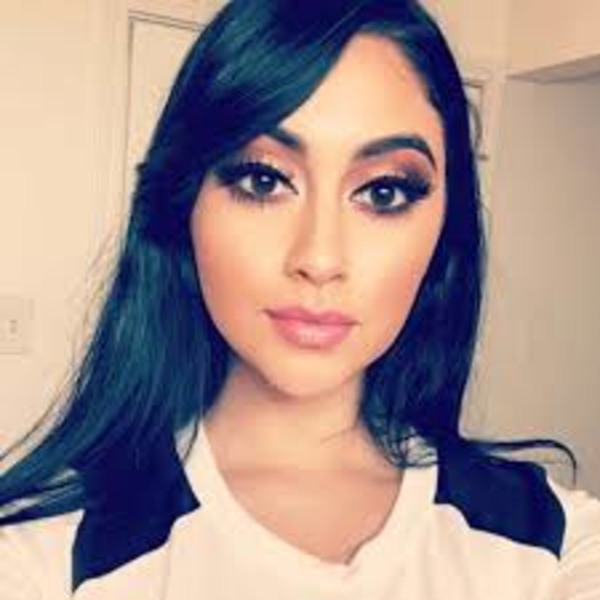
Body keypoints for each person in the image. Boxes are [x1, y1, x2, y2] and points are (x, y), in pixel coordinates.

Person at [1, 0, 599, 598]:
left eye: (384, 192)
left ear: (446, 228)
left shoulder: (555, 543)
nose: (319, 257)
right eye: (263, 180)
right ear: (184, 204)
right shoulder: (45, 556)